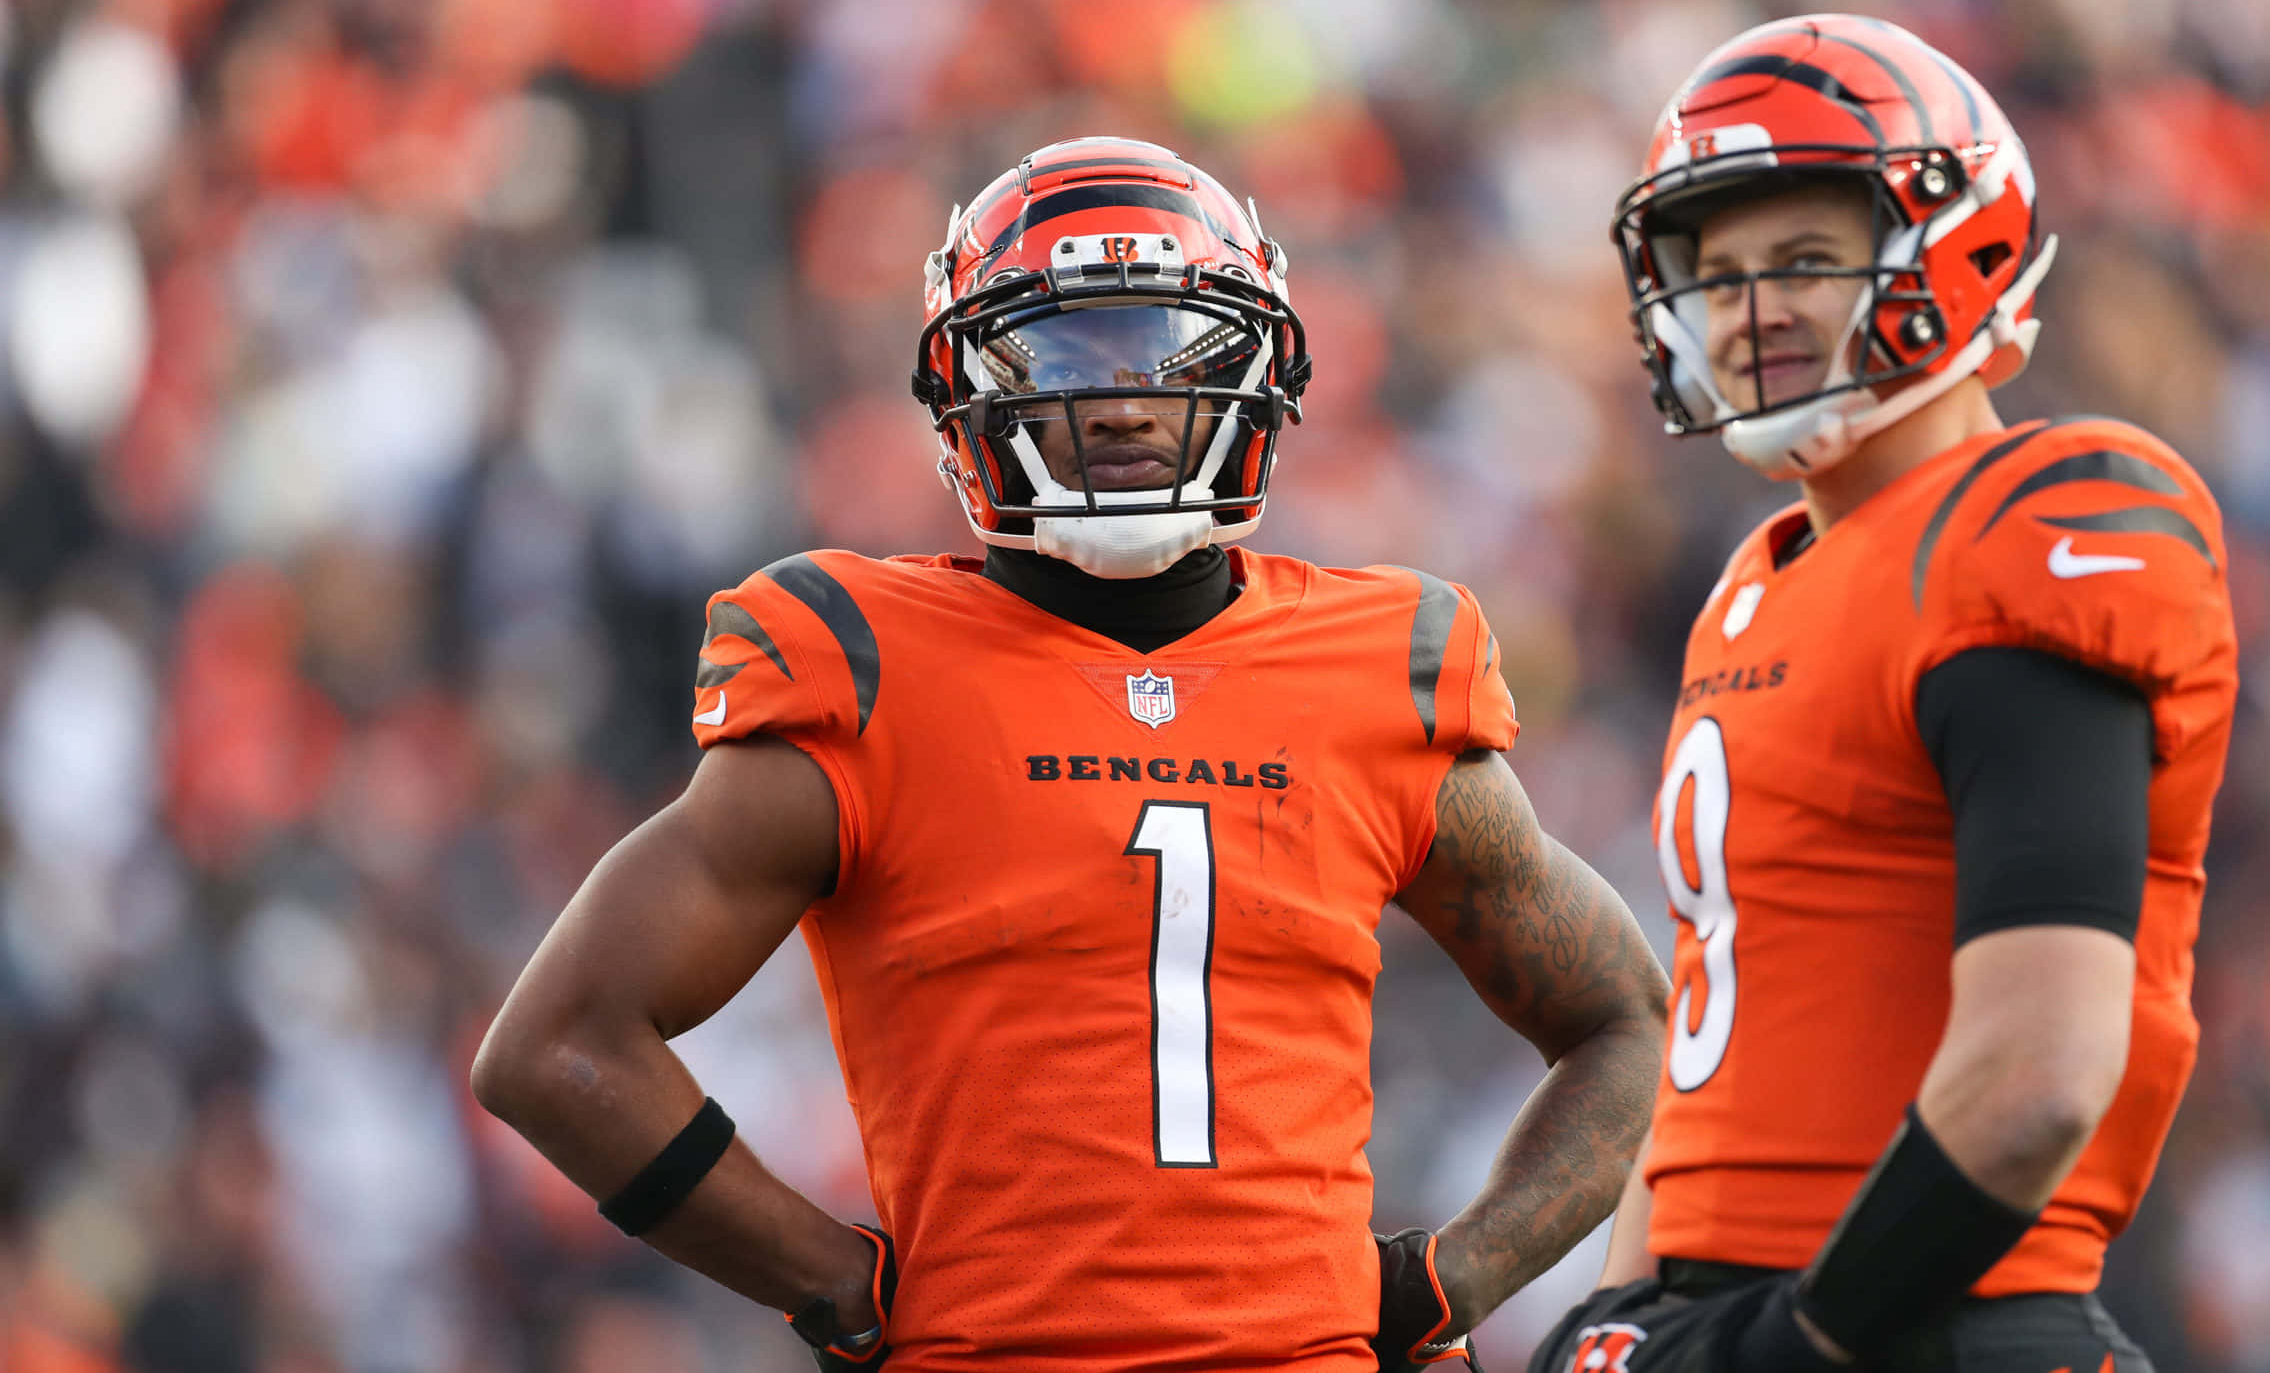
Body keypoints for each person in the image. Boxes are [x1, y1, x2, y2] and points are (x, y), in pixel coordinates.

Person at [473, 136, 1672, 1373]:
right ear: (961, 390)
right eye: (1060, 354)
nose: (1120, 400)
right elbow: (559, 1047)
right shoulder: (865, 663)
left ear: (1259, 370)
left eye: (1165, 347)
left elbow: (1626, 1020)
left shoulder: (1379, 663)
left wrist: (1453, 1277)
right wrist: (825, 1278)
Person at [1531, 16, 2238, 1373]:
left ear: (1951, 248)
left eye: (1804, 259)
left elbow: (2038, 1072)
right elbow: (1723, 1034)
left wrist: (1805, 1335)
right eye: (1717, 272)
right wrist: (1621, 1310)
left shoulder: (2038, 514)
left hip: (1937, 1318)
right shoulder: (1753, 579)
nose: (1750, 308)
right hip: (1743, 1310)